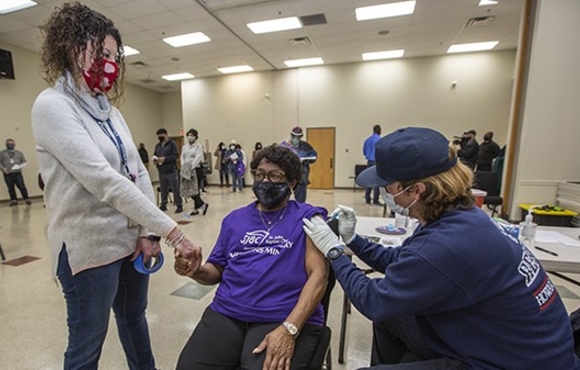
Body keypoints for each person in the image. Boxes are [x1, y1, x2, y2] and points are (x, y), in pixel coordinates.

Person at [303, 127, 580, 370]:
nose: (386, 194)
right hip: (506, 341)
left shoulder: (444, 245)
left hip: (511, 362)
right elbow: (401, 261)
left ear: (416, 190)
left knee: (385, 314)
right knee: (393, 319)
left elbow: (374, 301)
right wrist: (353, 240)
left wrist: (334, 252)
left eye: (388, 187)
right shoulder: (460, 216)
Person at [31, 3, 201, 369]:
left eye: (113, 56)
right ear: (71, 47)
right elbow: (103, 180)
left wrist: (148, 232)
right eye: (100, 53)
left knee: (134, 319)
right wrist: (172, 232)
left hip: (130, 244)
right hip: (87, 250)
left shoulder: (111, 111)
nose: (109, 63)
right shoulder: (52, 106)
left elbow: (137, 173)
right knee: (87, 345)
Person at [174, 144, 328, 370]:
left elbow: (319, 276)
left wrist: (290, 328)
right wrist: (196, 270)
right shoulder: (234, 220)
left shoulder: (307, 218)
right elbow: (216, 270)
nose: (265, 182)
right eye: (259, 175)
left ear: (292, 182)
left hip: (281, 314)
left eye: (275, 175)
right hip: (228, 312)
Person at [280, 126, 317, 203]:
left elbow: (313, 156)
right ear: (291, 135)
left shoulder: (305, 146)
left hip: (301, 176)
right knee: (282, 198)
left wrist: (305, 160)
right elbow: (277, 158)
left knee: (300, 201)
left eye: (298, 137)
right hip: (285, 176)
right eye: (294, 136)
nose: (296, 139)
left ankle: (299, 212)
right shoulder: (283, 146)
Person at [154, 128, 183, 213]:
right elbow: (155, 154)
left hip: (171, 170)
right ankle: (163, 204)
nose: (160, 137)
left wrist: (165, 159)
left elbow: (175, 156)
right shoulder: (158, 146)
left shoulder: (172, 144)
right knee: (163, 189)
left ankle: (179, 205)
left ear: (166, 134)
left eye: (161, 135)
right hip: (161, 171)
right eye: (158, 136)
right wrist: (155, 160)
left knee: (175, 189)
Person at [181, 128, 209, 216]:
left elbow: (198, 157)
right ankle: (201, 205)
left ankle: (198, 207)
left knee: (195, 189)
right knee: (188, 189)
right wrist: (184, 166)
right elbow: (182, 156)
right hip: (186, 168)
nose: (190, 137)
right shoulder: (185, 147)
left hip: (195, 169)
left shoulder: (198, 146)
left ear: (196, 137)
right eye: (188, 135)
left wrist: (191, 167)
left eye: (192, 135)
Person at [0, 138, 31, 206]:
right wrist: (3, 169)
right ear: (6, 144)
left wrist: (19, 166)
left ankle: (26, 198)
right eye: (8, 144)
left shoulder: (19, 153)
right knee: (10, 187)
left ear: (14, 144)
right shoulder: (2, 153)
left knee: (21, 186)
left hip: (17, 173)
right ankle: (14, 200)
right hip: (7, 173)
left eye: (11, 144)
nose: (10, 145)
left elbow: (24, 162)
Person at [363, 125, 382, 205]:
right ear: (380, 131)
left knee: (369, 180)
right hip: (376, 162)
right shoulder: (380, 140)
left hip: (369, 161)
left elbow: (364, 152)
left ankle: (367, 198)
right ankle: (375, 200)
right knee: (376, 181)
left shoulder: (367, 140)